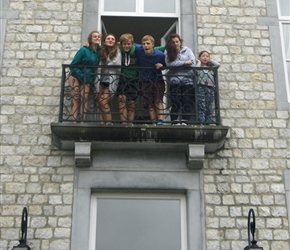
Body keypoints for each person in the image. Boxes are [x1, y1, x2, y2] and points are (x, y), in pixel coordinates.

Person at [68, 31, 101, 121]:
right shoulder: (83, 50)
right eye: (95, 36)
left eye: (98, 36)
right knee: (76, 97)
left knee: (85, 98)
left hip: (88, 77)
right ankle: (74, 121)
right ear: (90, 39)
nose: (97, 38)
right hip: (76, 75)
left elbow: (111, 46)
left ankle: (82, 121)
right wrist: (81, 76)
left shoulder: (99, 51)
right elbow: (73, 65)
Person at [165, 33, 196, 125]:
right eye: (173, 42)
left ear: (180, 41)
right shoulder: (168, 52)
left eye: (177, 41)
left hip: (188, 81)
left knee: (186, 101)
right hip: (175, 81)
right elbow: (169, 64)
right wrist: (184, 63)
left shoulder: (187, 50)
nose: (175, 44)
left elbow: (193, 63)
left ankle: (185, 121)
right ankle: (174, 121)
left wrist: (177, 64)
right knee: (176, 102)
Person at [135, 35, 166, 125]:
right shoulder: (139, 50)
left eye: (148, 43)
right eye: (144, 44)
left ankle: (160, 121)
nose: (146, 46)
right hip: (144, 81)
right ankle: (153, 122)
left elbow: (165, 66)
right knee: (149, 103)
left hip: (157, 80)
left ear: (153, 45)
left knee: (158, 100)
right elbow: (127, 43)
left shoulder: (160, 55)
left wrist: (161, 66)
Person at [96, 33, 121, 125]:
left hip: (111, 80)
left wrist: (105, 65)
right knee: (99, 101)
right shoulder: (101, 50)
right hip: (100, 80)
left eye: (112, 39)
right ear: (104, 42)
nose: (110, 40)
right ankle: (102, 122)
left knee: (104, 101)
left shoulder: (117, 51)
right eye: (108, 39)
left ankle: (109, 123)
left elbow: (117, 63)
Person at [117, 33, 139, 124]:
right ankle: (124, 123)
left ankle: (130, 123)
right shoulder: (117, 50)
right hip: (122, 79)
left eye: (128, 44)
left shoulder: (137, 50)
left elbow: (156, 48)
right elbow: (104, 46)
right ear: (121, 44)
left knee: (132, 102)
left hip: (134, 80)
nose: (127, 46)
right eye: (124, 44)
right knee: (121, 100)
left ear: (132, 44)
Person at [196, 50, 220, 124]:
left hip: (210, 87)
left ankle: (208, 121)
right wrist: (199, 62)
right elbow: (196, 69)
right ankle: (201, 121)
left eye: (207, 56)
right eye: (203, 56)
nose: (205, 58)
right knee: (201, 104)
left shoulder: (211, 68)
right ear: (199, 58)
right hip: (201, 87)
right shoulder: (199, 67)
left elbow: (218, 65)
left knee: (209, 105)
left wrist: (211, 60)